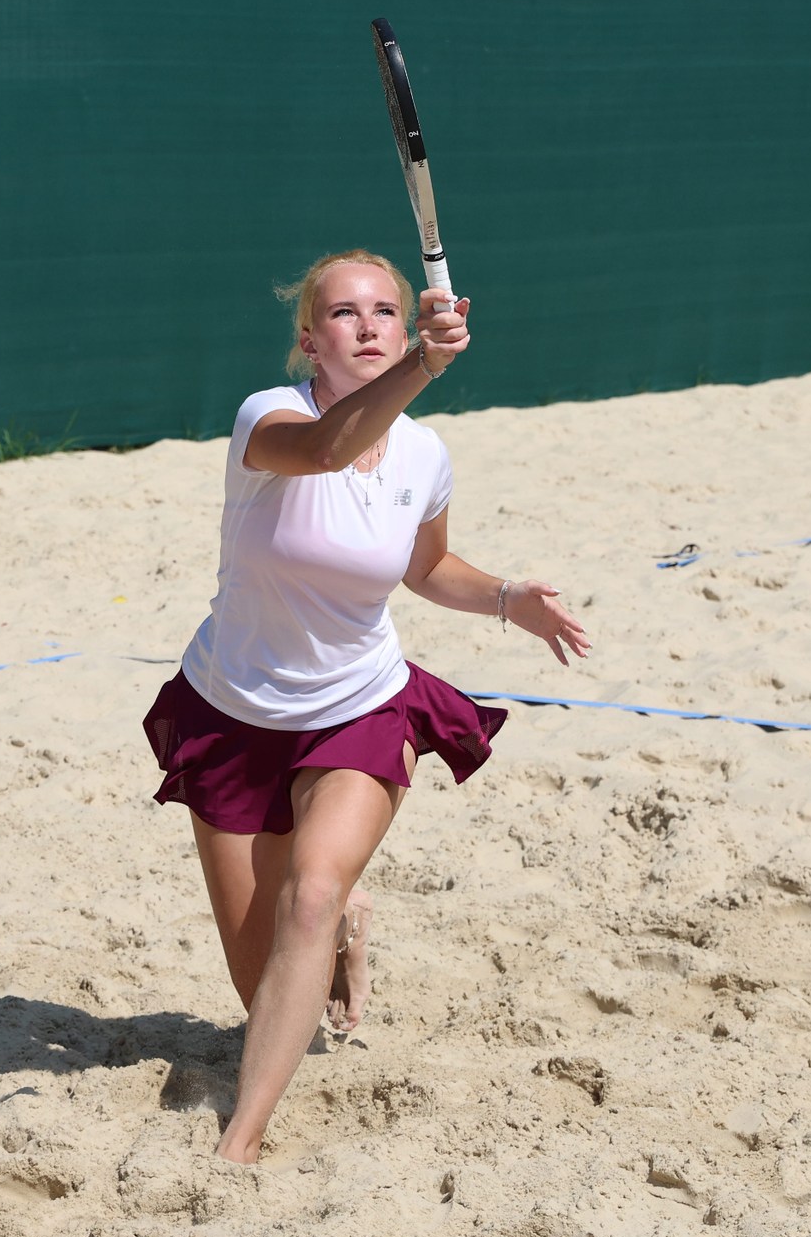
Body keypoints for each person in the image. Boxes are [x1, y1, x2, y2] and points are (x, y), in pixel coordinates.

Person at [143, 250, 591, 1164]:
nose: (370, 325)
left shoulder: (425, 454)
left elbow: (426, 567)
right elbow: (328, 450)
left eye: (386, 310)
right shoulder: (268, 419)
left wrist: (508, 597)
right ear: (311, 340)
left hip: (360, 704)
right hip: (234, 709)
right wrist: (428, 361)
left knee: (308, 895)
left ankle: (240, 1142)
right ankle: (347, 922)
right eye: (345, 313)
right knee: (264, 987)